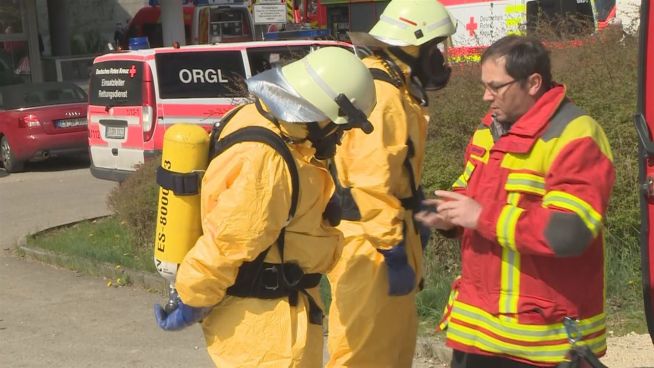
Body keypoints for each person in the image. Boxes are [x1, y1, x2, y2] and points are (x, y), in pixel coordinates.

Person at [153, 46, 376, 367]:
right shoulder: (267, 162)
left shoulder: (264, 120)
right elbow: (229, 242)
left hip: (272, 317)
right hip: (270, 330)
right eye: (338, 125)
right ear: (321, 108)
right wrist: (193, 298)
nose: (339, 136)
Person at [415, 35, 615, 367]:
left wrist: (481, 216)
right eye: (484, 85)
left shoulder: (575, 135)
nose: (485, 96)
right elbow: (468, 194)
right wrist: (448, 216)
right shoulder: (487, 131)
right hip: (478, 332)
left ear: (533, 82)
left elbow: (569, 233)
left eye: (495, 87)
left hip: (540, 341)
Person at [325, 1, 456, 366]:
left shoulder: (393, 86)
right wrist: (392, 249)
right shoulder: (382, 95)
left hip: (387, 238)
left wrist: (414, 215)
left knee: (393, 354)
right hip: (370, 248)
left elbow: (395, 172)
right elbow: (369, 182)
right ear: (415, 45)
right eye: (436, 47)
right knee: (365, 356)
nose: (440, 58)